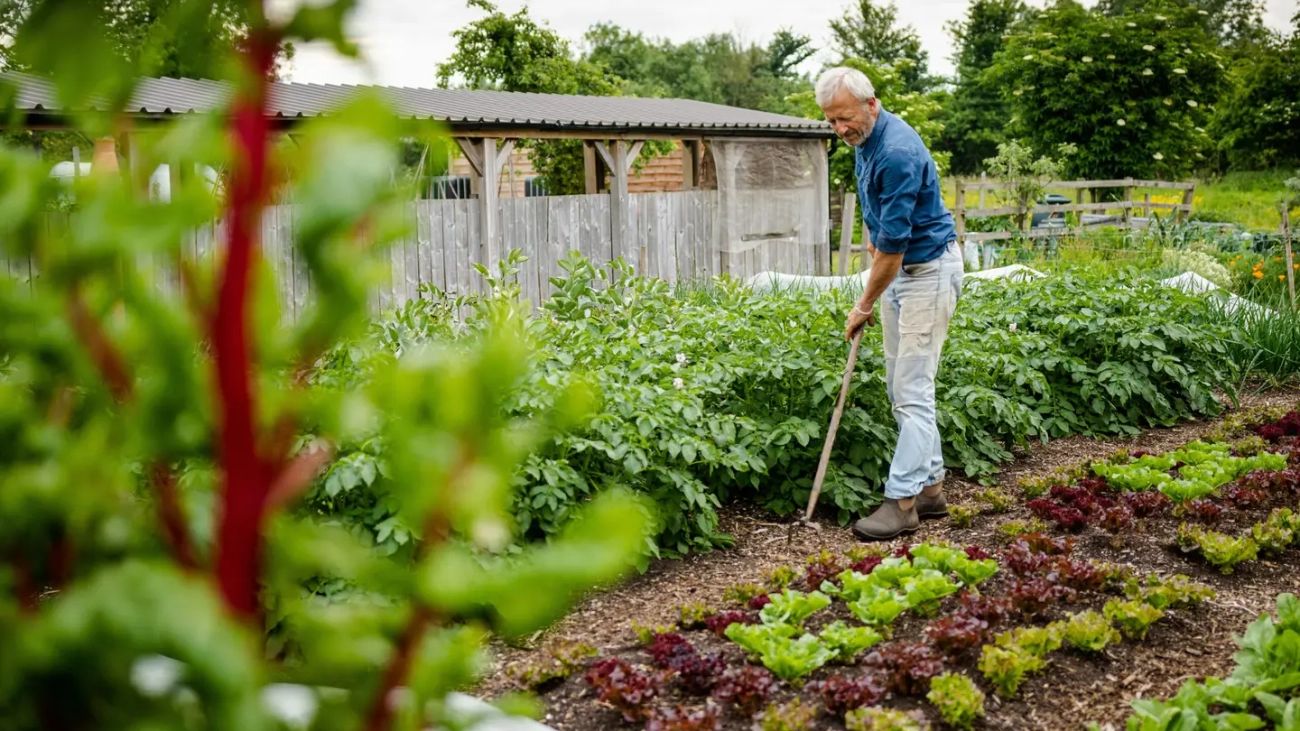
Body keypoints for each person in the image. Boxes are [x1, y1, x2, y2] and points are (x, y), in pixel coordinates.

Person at [814, 66, 965, 541]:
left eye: (845, 118)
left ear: (871, 104)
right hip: (900, 272)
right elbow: (879, 224)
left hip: (926, 272)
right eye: (832, 121)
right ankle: (932, 489)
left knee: (912, 392)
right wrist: (876, 275)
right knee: (903, 388)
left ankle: (901, 503)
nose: (841, 129)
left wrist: (862, 305)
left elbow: (895, 249)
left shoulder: (897, 152)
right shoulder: (865, 142)